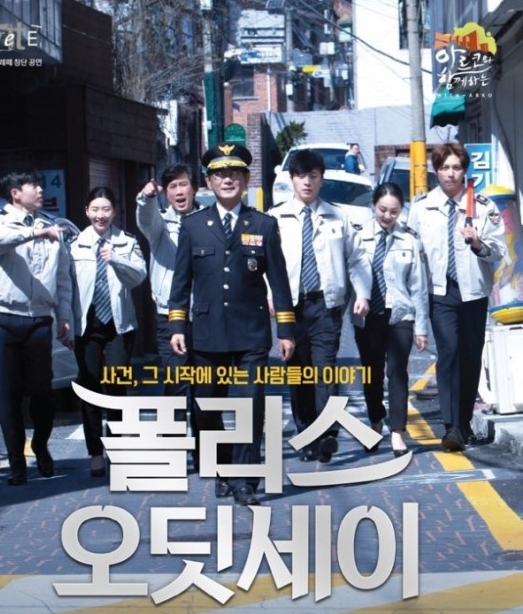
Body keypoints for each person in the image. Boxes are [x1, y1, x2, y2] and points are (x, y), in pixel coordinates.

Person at [169, 142, 295, 505]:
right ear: (209, 182)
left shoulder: (263, 224)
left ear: (246, 179)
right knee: (205, 407)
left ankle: (245, 481)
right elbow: (181, 282)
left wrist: (286, 330)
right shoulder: (193, 226)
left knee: (250, 406)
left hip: (251, 333)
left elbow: (279, 282)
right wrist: (177, 325)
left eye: (235, 174)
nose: (228, 180)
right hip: (206, 335)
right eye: (220, 174)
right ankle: (222, 468)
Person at [268, 148, 371, 462]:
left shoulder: (338, 216)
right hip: (290, 308)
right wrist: (269, 294)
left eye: (313, 176)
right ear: (292, 179)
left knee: (325, 369)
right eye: (301, 176)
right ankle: (307, 435)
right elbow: (265, 264)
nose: (307, 182)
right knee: (298, 374)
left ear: (321, 179)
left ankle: (326, 434)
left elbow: (357, 259)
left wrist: (362, 294)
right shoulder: (275, 218)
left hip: (326, 305)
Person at [407, 143, 507, 451]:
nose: (450, 174)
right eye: (444, 168)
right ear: (436, 171)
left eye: (456, 168)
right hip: (440, 291)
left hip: (473, 292)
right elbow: (409, 249)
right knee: (448, 352)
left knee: (470, 356)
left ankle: (463, 423)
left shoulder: (483, 206)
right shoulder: (422, 207)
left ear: (464, 171)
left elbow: (499, 251)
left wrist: (477, 243)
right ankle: (451, 427)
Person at [0, 170, 73, 486]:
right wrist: (36, 233)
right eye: (33, 185)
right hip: (3, 319)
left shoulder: (51, 226)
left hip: (39, 321)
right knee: (7, 395)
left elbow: (63, 278)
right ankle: (17, 464)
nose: (40, 190)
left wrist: (64, 316)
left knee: (43, 393)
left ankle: (41, 445)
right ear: (15, 193)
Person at [70, 186, 147, 476]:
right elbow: (66, 286)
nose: (100, 215)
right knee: (89, 388)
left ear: (114, 212)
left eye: (106, 209)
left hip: (120, 326)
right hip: (87, 327)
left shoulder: (127, 242)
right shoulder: (75, 245)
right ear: (86, 211)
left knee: (116, 386)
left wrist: (115, 259)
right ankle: (95, 452)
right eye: (95, 209)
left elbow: (139, 276)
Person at [353, 183, 429, 456]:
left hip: (401, 314)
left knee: (397, 372)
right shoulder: (358, 237)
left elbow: (418, 287)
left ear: (401, 211)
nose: (387, 216)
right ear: (373, 206)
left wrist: (421, 328)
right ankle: (375, 421)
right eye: (382, 209)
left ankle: (397, 431)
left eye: (394, 211)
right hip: (368, 316)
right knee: (371, 372)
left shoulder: (409, 239)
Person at [136, 164, 200, 465]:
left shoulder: (208, 221)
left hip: (204, 313)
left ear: (194, 188)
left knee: (205, 383)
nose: (178, 191)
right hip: (169, 314)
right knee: (176, 380)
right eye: (172, 187)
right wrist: (147, 198)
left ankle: (205, 448)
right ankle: (173, 447)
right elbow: (144, 217)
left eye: (183, 184)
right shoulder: (159, 224)